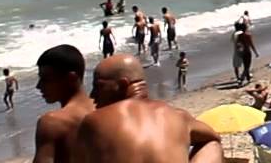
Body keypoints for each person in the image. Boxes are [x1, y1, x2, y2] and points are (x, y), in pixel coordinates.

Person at [75, 54, 223, 163]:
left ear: (122, 85)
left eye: (98, 86)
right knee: (212, 146)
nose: (93, 95)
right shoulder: (178, 116)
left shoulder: (93, 121)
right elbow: (214, 137)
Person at [33, 44, 95, 163]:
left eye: (45, 79)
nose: (39, 86)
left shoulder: (51, 122)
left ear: (71, 78)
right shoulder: (105, 109)